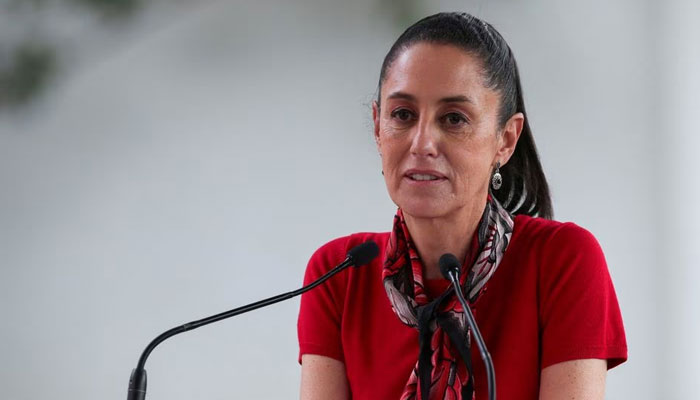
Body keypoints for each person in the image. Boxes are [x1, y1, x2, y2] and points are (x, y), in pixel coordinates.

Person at [297, 12, 627, 400]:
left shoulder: (562, 260)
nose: (422, 143)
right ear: (377, 126)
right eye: (402, 115)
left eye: (454, 119)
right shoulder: (338, 274)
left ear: (505, 139)